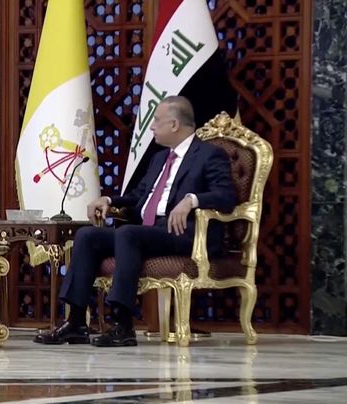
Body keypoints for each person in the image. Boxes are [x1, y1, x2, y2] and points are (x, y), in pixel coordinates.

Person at [34, 96, 237, 347]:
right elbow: (138, 197)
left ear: (174, 124)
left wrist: (191, 200)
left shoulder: (209, 155)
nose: (152, 127)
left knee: (128, 233)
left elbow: (227, 197)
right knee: (88, 236)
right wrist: (108, 199)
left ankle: (122, 324)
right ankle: (75, 322)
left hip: (184, 233)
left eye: (156, 121)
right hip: (148, 231)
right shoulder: (159, 158)